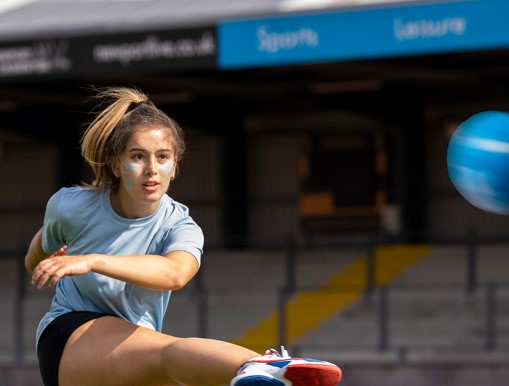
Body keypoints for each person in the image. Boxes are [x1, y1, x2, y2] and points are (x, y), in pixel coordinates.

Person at [25, 86, 342, 386]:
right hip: (69, 335)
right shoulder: (72, 206)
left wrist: (92, 261)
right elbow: (35, 256)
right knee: (168, 353)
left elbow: (175, 274)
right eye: (138, 156)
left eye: (162, 157)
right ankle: (264, 366)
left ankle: (262, 369)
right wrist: (50, 261)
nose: (152, 169)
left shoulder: (181, 226)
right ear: (115, 164)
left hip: (135, 343)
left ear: (174, 166)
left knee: (168, 357)